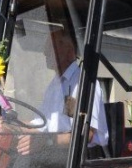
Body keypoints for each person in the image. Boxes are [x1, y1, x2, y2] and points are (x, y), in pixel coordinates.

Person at [17, 27, 108, 157]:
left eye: (51, 46)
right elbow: (40, 124)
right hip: (55, 153)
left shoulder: (82, 83)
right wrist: (12, 126)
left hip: (79, 157)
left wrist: (46, 141)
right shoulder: (54, 86)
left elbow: (87, 134)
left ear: (69, 51)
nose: (44, 52)